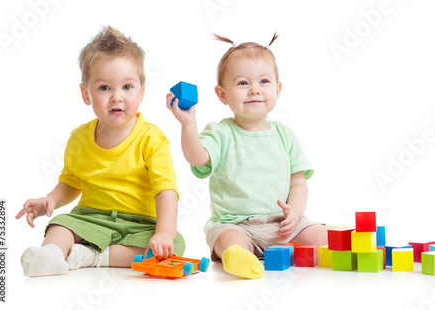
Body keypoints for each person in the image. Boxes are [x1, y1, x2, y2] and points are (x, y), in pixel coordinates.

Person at [16, 26, 184, 277]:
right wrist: (50, 200)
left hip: (140, 224)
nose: (117, 97)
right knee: (60, 225)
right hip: (90, 219)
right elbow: (71, 182)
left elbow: (165, 191)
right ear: (86, 93)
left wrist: (163, 233)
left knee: (175, 245)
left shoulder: (152, 139)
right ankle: (50, 254)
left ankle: (91, 256)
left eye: (127, 87)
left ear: (142, 91)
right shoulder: (79, 138)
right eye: (104, 88)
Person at [166, 33, 329, 279]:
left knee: (319, 234)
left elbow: (298, 183)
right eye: (243, 83)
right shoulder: (220, 133)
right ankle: (239, 257)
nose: (254, 90)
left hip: (281, 226)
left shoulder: (286, 136)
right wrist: (188, 124)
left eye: (264, 81)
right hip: (236, 225)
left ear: (278, 89)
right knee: (228, 240)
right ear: (222, 95)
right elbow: (197, 158)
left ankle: (309, 247)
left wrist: (294, 213)